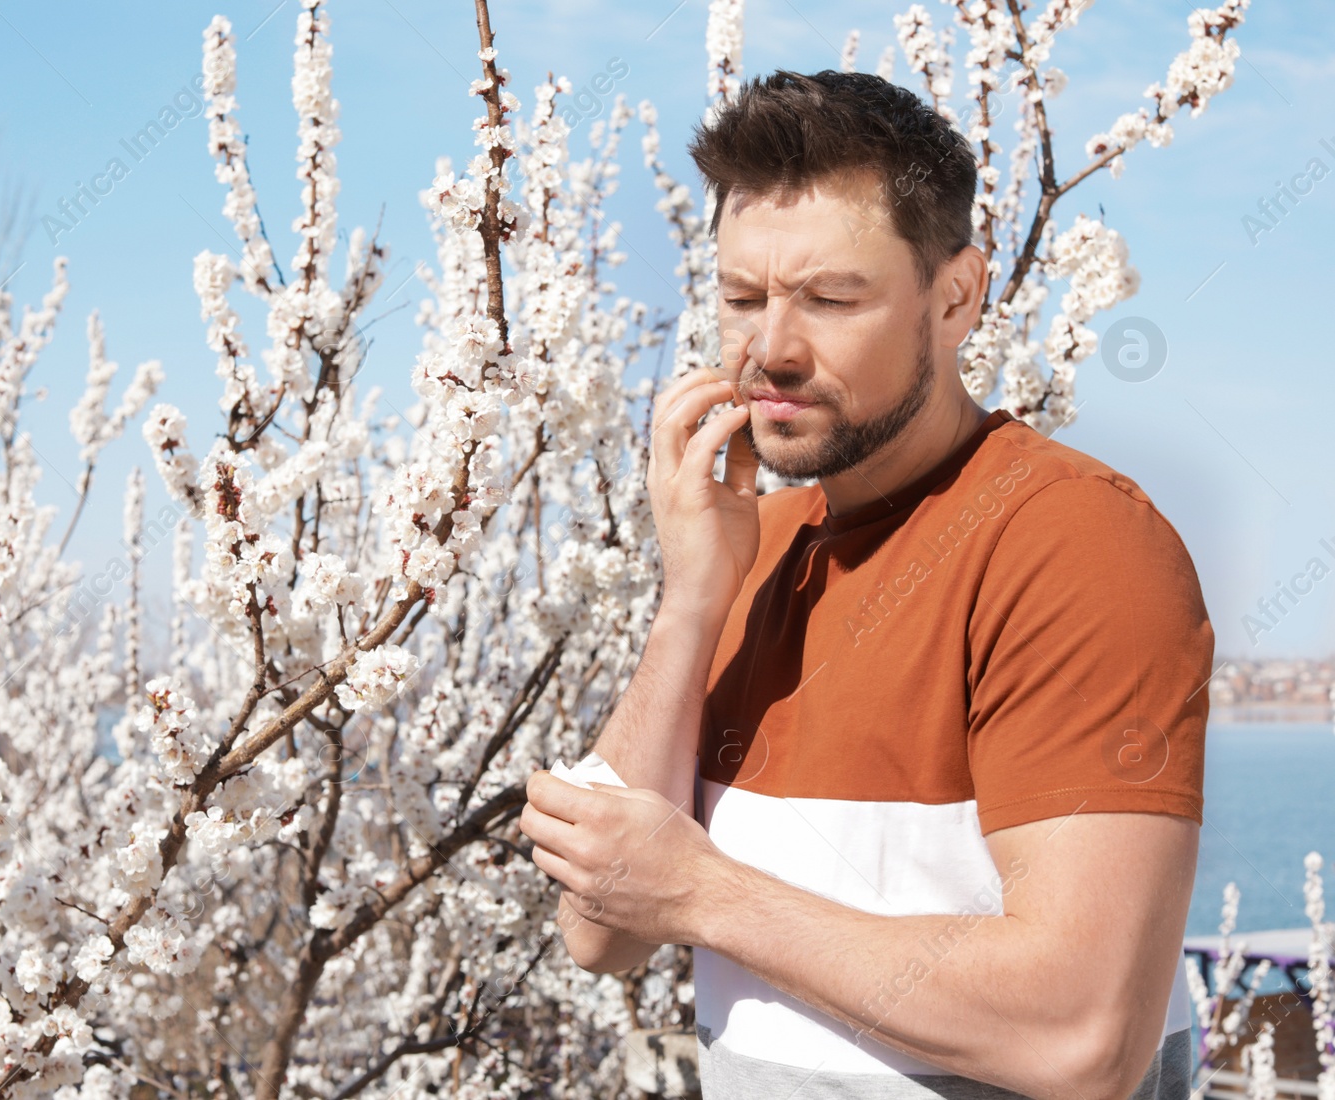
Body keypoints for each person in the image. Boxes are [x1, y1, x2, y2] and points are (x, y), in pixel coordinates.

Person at [518, 69, 1213, 1099]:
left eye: (831, 298)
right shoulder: (757, 544)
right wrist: (692, 600)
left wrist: (706, 894)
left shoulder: (1076, 546)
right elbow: (601, 925)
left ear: (956, 295)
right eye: (741, 297)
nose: (770, 350)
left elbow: (1082, 1036)